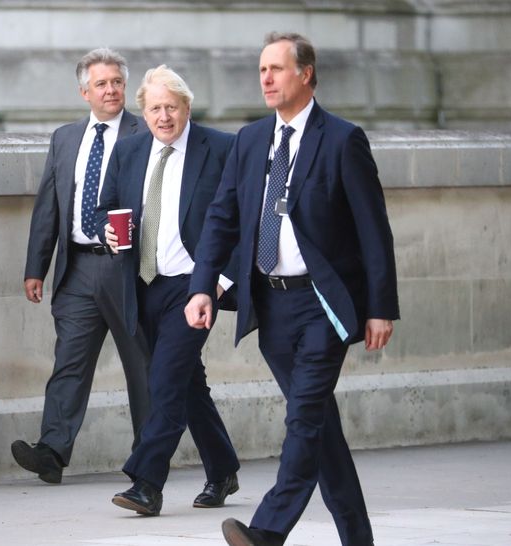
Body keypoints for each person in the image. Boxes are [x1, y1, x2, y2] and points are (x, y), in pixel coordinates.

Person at [185, 32, 399, 546]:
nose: (266, 78)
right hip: (269, 305)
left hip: (323, 304)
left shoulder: (344, 140)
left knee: (303, 418)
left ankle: (267, 530)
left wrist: (379, 308)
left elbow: (374, 230)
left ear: (305, 74)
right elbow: (221, 217)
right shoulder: (251, 140)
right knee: (320, 428)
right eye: (262, 69)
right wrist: (202, 288)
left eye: (276, 69)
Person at [96, 65, 240, 516]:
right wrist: (109, 233)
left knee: (164, 381)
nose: (164, 116)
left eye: (171, 107)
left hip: (195, 287)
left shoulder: (220, 148)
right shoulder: (128, 150)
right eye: (155, 108)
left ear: (187, 108)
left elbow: (244, 220)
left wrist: (217, 284)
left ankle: (147, 482)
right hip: (141, 285)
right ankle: (222, 470)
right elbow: (105, 209)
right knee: (185, 383)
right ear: (144, 111)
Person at [12, 48, 151, 484]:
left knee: (141, 366)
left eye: (117, 82)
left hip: (126, 270)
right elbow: (48, 207)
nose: (111, 90)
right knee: (69, 362)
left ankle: (148, 457)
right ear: (84, 91)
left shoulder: (145, 132)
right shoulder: (65, 138)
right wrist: (36, 267)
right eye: (102, 83)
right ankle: (52, 451)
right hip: (76, 270)